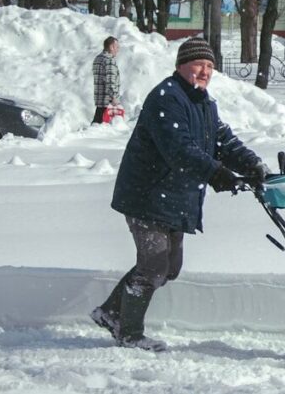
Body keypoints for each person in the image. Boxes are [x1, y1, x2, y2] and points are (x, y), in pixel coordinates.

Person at [90, 37, 270, 352]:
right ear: (181, 65)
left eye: (210, 66)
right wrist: (216, 173)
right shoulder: (167, 98)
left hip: (175, 198)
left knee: (169, 268)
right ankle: (128, 331)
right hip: (148, 195)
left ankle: (110, 312)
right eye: (199, 64)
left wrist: (252, 164)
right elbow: (179, 149)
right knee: (154, 266)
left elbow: (221, 140)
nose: (205, 71)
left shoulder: (203, 102)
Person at [92, 36, 121, 124]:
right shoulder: (109, 60)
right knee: (104, 128)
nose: (118, 50)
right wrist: (114, 97)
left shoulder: (98, 59)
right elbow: (110, 81)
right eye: (117, 47)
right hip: (108, 103)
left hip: (99, 101)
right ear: (111, 47)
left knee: (96, 124)